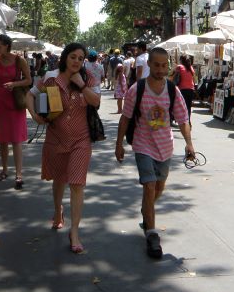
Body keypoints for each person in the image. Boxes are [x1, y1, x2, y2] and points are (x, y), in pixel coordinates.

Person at [115, 47, 193, 259]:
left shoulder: (171, 90)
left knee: (158, 188)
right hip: (143, 145)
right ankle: (151, 234)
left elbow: (183, 119)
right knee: (149, 186)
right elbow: (126, 118)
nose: (160, 69)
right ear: (149, 64)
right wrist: (119, 144)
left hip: (165, 146)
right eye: (156, 65)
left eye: (163, 65)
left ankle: (146, 212)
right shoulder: (137, 89)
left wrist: (189, 143)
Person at [27, 43, 101, 253]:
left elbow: (96, 102)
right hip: (56, 139)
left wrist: (82, 85)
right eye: (73, 57)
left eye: (80, 58)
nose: (77, 61)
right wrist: (34, 116)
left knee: (77, 183)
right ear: (65, 58)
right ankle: (58, 210)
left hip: (81, 140)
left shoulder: (88, 79)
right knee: (59, 179)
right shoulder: (51, 77)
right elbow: (30, 95)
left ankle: (74, 231)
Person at [0, 34, 32, 190]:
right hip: (0, 101)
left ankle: (19, 174)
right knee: (2, 139)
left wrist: (14, 84)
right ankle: (4, 170)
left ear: (7, 45)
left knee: (15, 139)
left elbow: (29, 80)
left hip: (15, 101)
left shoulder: (19, 60)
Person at [171, 55, 196, 122]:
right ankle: (188, 121)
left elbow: (173, 75)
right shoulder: (191, 68)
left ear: (181, 60)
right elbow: (194, 79)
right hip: (191, 89)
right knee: (188, 106)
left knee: (181, 106)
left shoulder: (179, 67)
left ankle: (181, 120)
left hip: (182, 89)